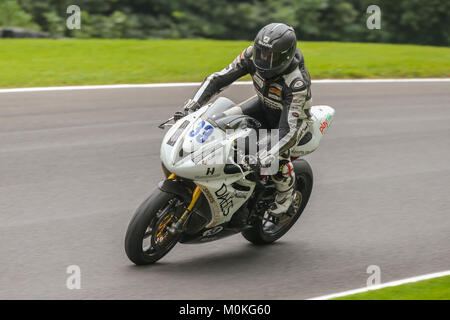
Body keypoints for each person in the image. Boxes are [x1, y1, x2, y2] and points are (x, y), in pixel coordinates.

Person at [175, 23, 312, 216]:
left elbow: (288, 129)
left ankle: (286, 195)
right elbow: (219, 79)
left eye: (270, 56)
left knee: (272, 158)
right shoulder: (250, 55)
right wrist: (193, 105)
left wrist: (266, 154)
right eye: (261, 52)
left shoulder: (296, 82)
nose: (263, 59)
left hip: (291, 123)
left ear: (286, 56)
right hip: (263, 105)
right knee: (217, 121)